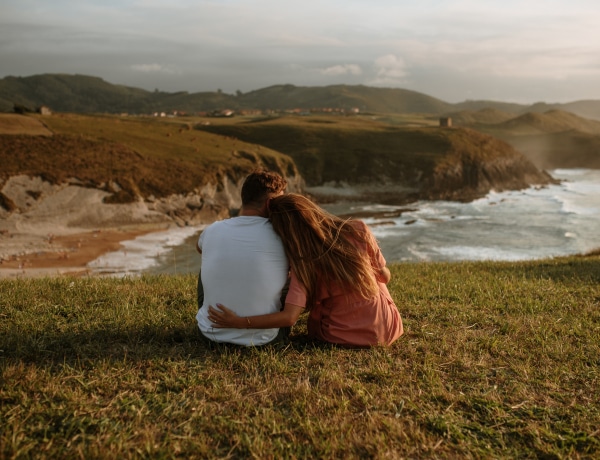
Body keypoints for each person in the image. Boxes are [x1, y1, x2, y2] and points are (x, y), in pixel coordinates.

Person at [207, 193, 404, 348]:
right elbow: (384, 277)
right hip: (389, 329)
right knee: (371, 278)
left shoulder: (303, 262)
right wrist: (360, 269)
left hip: (339, 336)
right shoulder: (358, 229)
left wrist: (239, 322)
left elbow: (289, 317)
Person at [195, 169, 289, 346]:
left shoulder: (213, 229)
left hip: (209, 335)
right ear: (270, 204)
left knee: (210, 256)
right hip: (265, 340)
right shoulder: (283, 235)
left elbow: (200, 249)